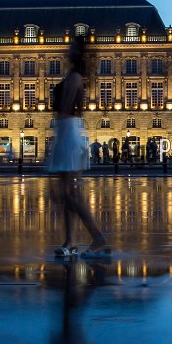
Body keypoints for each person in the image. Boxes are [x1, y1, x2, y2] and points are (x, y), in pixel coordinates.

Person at [47, 37, 110, 257]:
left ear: (78, 53)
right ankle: (71, 241)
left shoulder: (74, 77)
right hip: (71, 131)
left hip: (67, 132)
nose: (68, 49)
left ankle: (98, 237)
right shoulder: (75, 76)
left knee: (70, 195)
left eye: (72, 47)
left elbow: (64, 109)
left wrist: (57, 138)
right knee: (69, 193)